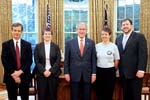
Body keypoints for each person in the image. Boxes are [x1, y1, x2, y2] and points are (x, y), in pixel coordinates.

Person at [115, 18, 148, 100]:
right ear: (121, 27)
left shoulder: (139, 36)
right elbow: (117, 55)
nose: (125, 26)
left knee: (135, 96)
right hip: (123, 74)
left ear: (131, 26)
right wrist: (117, 70)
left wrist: (141, 69)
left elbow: (143, 54)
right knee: (126, 96)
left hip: (135, 73)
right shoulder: (118, 38)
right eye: (123, 25)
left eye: (127, 24)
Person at [64, 22, 96, 100]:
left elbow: (93, 59)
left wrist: (94, 74)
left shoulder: (91, 43)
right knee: (74, 96)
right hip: (74, 74)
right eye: (80, 29)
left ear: (86, 30)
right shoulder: (69, 43)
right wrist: (66, 73)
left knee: (86, 96)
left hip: (87, 74)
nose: (81, 31)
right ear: (77, 30)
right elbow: (66, 59)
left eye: (83, 29)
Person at [1, 22, 33, 100]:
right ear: (12, 31)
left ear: (21, 32)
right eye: (15, 30)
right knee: (12, 97)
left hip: (24, 75)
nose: (17, 32)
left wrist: (20, 72)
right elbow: (4, 60)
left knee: (25, 97)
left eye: (19, 31)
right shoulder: (5, 44)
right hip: (10, 76)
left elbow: (29, 61)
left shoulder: (27, 45)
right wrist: (14, 74)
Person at [34, 28, 61, 100]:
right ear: (43, 35)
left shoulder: (56, 47)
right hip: (41, 74)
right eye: (45, 34)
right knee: (42, 95)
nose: (47, 35)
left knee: (53, 95)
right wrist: (44, 71)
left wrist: (50, 71)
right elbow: (36, 61)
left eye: (49, 34)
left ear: (51, 36)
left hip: (53, 74)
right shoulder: (38, 46)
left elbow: (58, 61)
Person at [96, 27, 120, 100]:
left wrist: (113, 69)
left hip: (110, 72)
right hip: (99, 71)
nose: (104, 36)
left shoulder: (113, 46)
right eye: (102, 34)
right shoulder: (97, 46)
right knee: (99, 91)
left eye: (106, 34)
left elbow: (116, 59)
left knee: (109, 91)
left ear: (110, 35)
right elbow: (94, 59)